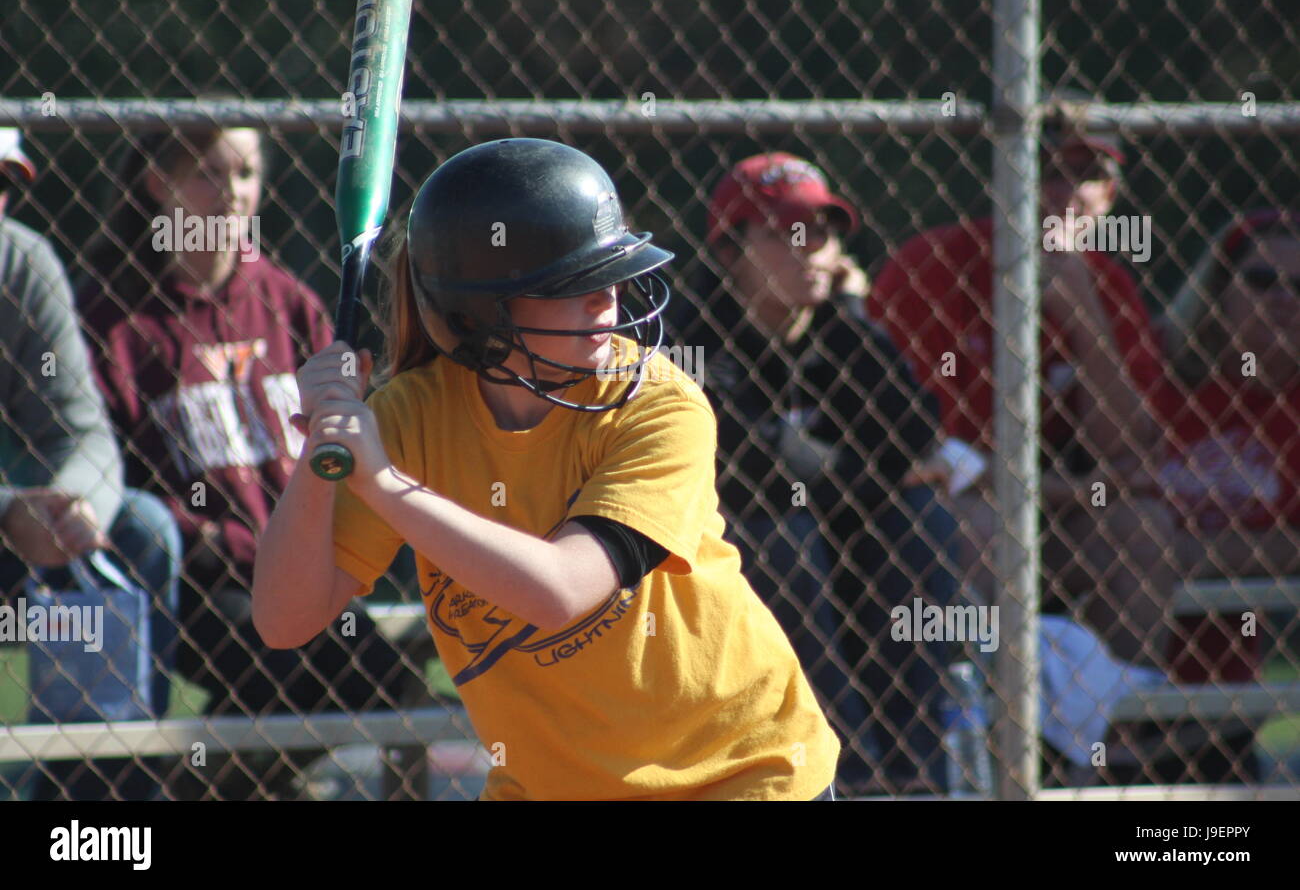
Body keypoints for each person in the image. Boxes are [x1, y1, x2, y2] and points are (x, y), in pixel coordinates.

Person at [253, 138, 841, 800]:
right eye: (572, 285)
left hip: (733, 772)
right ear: (479, 312)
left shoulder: (657, 404)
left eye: (611, 273)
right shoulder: (411, 417)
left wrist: (384, 482)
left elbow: (558, 592)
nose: (607, 299)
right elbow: (284, 619)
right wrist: (321, 458)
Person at [78, 124, 409, 799]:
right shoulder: (114, 318)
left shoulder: (287, 301)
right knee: (314, 666)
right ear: (156, 184)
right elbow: (108, 476)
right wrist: (224, 539)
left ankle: (182, 791)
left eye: (246, 173)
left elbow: (340, 436)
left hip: (305, 561)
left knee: (386, 679)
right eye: (207, 172)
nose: (231, 193)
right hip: (198, 581)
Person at [683, 152, 960, 795]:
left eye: (823, 233)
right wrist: (875, 477)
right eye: (783, 235)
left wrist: (856, 316)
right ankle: (847, 777)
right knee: (788, 539)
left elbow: (915, 432)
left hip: (839, 533)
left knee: (915, 528)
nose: (809, 250)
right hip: (737, 547)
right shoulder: (695, 335)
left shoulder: (838, 327)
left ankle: (917, 777)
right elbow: (756, 463)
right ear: (730, 252)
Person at [867, 126, 1178, 671]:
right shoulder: (933, 264)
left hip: (1057, 515)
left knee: (1142, 528)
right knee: (979, 525)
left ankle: (1116, 734)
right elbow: (934, 454)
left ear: (1110, 198)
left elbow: (1127, 449)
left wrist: (1086, 321)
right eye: (1048, 171)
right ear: (1008, 177)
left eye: (1088, 176)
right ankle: (983, 725)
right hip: (953, 507)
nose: (1066, 191)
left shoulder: (1108, 287)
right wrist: (1075, 490)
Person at [0, 128, 180, 800]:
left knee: (138, 530)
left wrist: (72, 507)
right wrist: (6, 513)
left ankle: (92, 818)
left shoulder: (18, 261)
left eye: (1, 186)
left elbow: (84, 435)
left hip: (14, 535)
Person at [1158, 208, 1300, 683]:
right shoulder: (1154, 366)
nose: (1283, 298)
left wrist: (1171, 554)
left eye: (1298, 286)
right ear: (1218, 289)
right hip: (1111, 664)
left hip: (1226, 683)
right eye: (1262, 280)